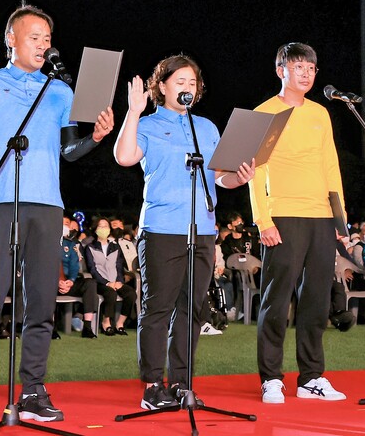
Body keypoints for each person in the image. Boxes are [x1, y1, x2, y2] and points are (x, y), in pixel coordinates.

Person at [0, 3, 114, 427]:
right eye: (34, 37)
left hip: (48, 206)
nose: (43, 44)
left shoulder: (61, 91)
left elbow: (69, 151)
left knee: (42, 305)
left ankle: (33, 390)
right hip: (1, 203)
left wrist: (96, 137)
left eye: (47, 39)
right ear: (11, 40)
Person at [113, 53, 254, 409]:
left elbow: (219, 176)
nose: (187, 88)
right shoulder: (146, 123)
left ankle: (180, 382)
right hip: (162, 229)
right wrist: (132, 111)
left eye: (192, 83)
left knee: (191, 309)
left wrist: (239, 177)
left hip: (203, 230)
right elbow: (125, 156)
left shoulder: (205, 128)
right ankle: (151, 386)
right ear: (162, 86)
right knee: (158, 308)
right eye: (180, 82)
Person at [246, 42, 348, 404]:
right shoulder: (264, 113)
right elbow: (255, 172)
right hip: (283, 216)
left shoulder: (320, 113)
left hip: (321, 216)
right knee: (276, 299)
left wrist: (340, 218)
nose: (305, 74)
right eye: (298, 67)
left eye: (311, 69)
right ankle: (271, 377)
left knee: (317, 302)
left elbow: (330, 166)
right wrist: (263, 220)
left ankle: (311, 378)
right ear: (281, 71)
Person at [82, 217, 137, 336]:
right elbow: (92, 269)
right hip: (101, 282)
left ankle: (120, 323)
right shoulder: (90, 247)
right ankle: (106, 322)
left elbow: (119, 266)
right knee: (110, 293)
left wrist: (119, 281)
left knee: (131, 293)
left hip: (115, 280)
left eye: (106, 226)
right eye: (100, 226)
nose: (103, 229)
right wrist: (107, 283)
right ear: (95, 229)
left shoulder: (115, 247)